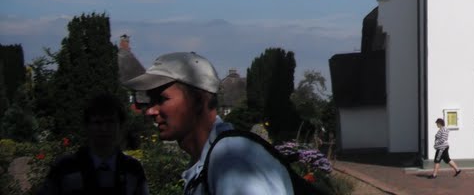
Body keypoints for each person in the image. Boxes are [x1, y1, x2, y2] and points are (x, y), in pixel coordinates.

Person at [124, 51, 293, 194]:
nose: (150, 111)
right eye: (151, 100)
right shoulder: (210, 161)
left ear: (198, 101)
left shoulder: (232, 161)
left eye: (161, 99)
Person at [38, 92, 149, 195]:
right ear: (86, 127)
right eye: (97, 122)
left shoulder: (133, 170)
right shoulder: (64, 168)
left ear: (121, 126)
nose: (104, 129)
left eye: (110, 122)